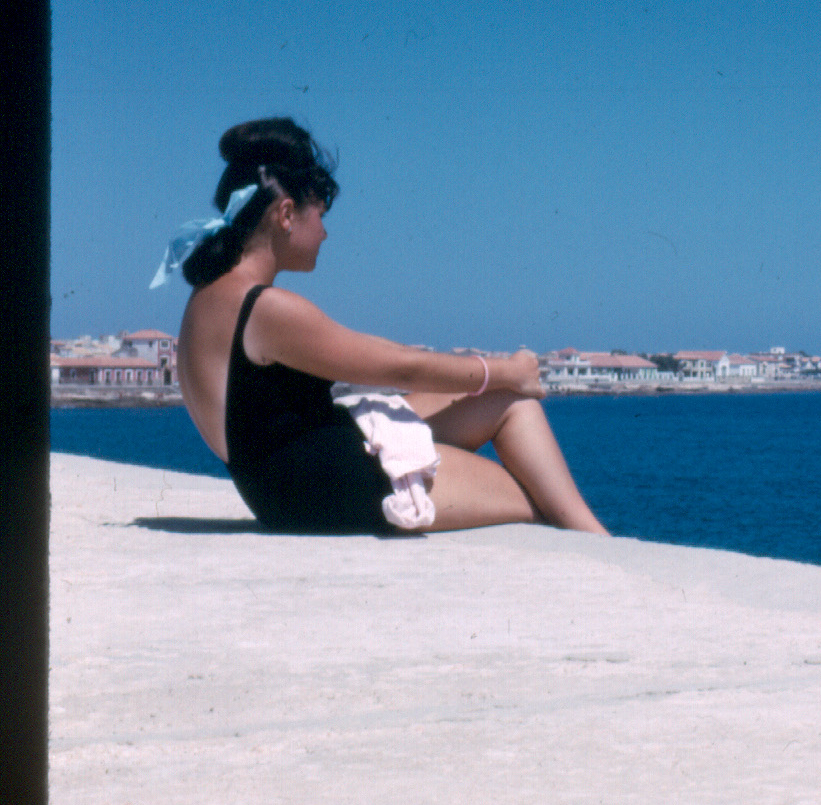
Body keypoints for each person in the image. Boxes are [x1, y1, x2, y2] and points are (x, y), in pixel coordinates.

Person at [160, 118, 610, 535]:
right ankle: (598, 542)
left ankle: (594, 534)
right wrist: (510, 370)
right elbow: (400, 369)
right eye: (320, 215)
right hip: (325, 488)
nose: (324, 233)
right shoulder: (266, 309)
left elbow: (379, 356)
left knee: (509, 401)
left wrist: (503, 379)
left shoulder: (209, 295)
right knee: (537, 499)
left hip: (292, 484)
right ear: (286, 214)